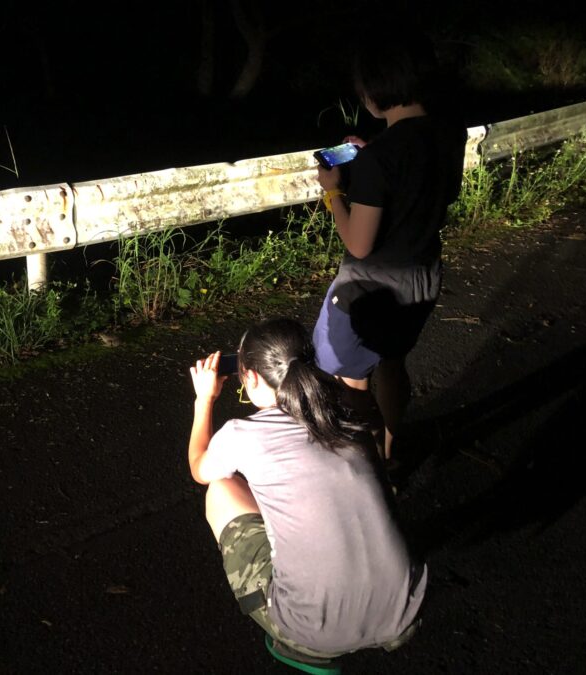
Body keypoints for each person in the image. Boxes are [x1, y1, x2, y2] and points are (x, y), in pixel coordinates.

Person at [187, 318, 426, 661]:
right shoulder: (350, 408)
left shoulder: (242, 436)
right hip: (403, 615)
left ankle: (301, 649)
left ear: (250, 377)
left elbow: (199, 469)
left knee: (221, 489)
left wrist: (204, 400)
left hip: (313, 632)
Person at [313, 30, 467, 461]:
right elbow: (440, 190)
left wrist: (333, 192)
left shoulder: (380, 160)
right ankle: (390, 455)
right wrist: (374, 156)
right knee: (393, 365)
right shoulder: (449, 135)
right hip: (422, 278)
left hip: (370, 289)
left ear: (377, 86)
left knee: (352, 379)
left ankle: (364, 469)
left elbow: (358, 244)